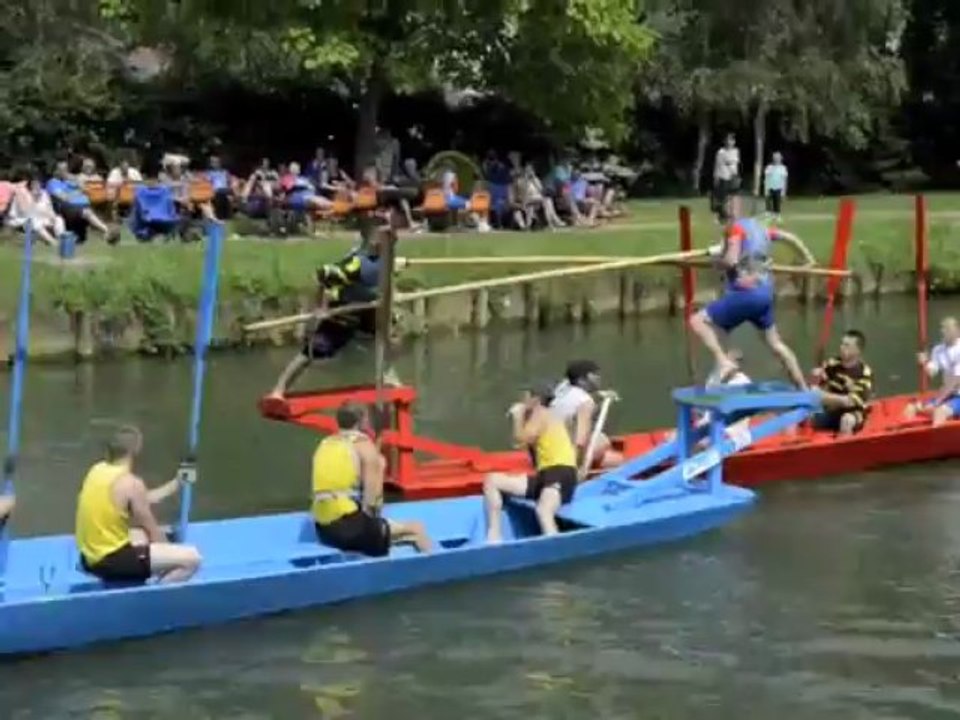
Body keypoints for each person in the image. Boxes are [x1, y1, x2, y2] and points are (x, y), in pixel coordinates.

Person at [689, 202, 815, 389]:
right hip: (765, 295)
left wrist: (715, 262)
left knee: (697, 321)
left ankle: (723, 362)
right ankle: (803, 388)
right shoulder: (762, 230)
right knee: (776, 344)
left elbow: (731, 260)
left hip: (745, 294)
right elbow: (789, 237)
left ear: (724, 219)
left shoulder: (735, 229)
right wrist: (808, 258)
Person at [268, 226, 404, 399]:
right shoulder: (355, 264)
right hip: (346, 309)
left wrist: (395, 294)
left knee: (392, 334)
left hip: (369, 307)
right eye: (389, 242)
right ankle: (278, 390)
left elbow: (385, 282)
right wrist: (321, 307)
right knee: (313, 351)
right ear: (376, 243)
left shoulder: (387, 261)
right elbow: (322, 276)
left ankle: (388, 374)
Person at [75, 425, 201, 584]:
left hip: (89, 557)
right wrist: (170, 553)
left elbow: (142, 499)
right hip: (109, 563)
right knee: (192, 558)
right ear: (136, 451)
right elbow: (154, 533)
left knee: (143, 536)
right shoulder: (132, 484)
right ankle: (155, 593)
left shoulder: (97, 470)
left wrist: (179, 481)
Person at [313, 402, 432, 556]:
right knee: (416, 529)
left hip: (323, 530)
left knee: (389, 531)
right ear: (362, 421)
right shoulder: (364, 447)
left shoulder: (325, 444)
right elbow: (373, 503)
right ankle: (434, 562)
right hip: (348, 531)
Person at [483, 382, 579, 543]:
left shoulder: (542, 413)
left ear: (536, 399)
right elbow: (523, 445)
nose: (523, 400)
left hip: (560, 472)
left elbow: (520, 439)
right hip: (545, 474)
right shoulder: (546, 416)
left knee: (543, 510)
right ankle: (494, 536)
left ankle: (555, 547)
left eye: (526, 396)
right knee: (492, 480)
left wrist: (518, 416)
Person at [549, 360, 622, 470]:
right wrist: (572, 469)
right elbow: (580, 440)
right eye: (594, 375)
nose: (599, 377)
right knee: (603, 442)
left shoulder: (561, 390)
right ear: (582, 380)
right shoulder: (585, 402)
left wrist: (600, 395)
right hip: (564, 456)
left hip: (548, 449)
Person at [810, 330, 873, 436]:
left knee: (847, 420)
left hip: (853, 412)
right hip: (832, 411)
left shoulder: (864, 373)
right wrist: (815, 378)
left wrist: (822, 396)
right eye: (842, 344)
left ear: (857, 350)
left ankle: (845, 444)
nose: (841, 347)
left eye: (847, 345)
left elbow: (851, 402)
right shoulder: (832, 364)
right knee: (802, 415)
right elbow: (818, 383)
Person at [904, 316, 960, 426]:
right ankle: (907, 433)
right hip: (949, 394)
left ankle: (937, 436)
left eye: (947, 328)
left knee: (939, 412)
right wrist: (924, 362)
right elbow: (932, 372)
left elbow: (956, 380)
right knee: (911, 408)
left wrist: (938, 400)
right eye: (942, 328)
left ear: (957, 331)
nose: (943, 331)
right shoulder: (938, 349)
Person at [712, 133, 740, 221]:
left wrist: (736, 175)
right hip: (723, 176)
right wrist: (716, 177)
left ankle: (732, 215)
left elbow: (735, 164)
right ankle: (720, 216)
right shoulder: (721, 152)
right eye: (728, 140)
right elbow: (717, 165)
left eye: (731, 140)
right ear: (724, 141)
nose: (729, 142)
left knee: (733, 197)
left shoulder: (736, 151)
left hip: (733, 177)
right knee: (722, 198)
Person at [763, 152, 788, 221]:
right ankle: (768, 215)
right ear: (773, 159)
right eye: (775, 158)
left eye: (778, 158)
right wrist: (766, 188)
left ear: (780, 159)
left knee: (777, 202)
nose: (777, 159)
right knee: (769, 201)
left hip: (778, 187)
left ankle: (777, 216)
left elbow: (784, 180)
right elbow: (767, 178)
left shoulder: (783, 168)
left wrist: (784, 191)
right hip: (770, 187)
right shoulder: (769, 167)